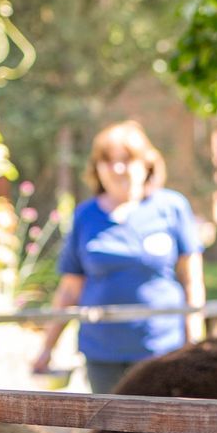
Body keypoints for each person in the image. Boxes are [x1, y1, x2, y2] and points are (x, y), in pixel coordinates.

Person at [32, 120, 205, 393]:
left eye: (126, 159)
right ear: (96, 168)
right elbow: (69, 289)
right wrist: (46, 349)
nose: (118, 168)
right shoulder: (86, 216)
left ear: (146, 164)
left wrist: (195, 341)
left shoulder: (171, 207)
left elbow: (192, 281)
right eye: (108, 161)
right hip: (102, 351)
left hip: (161, 348)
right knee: (109, 430)